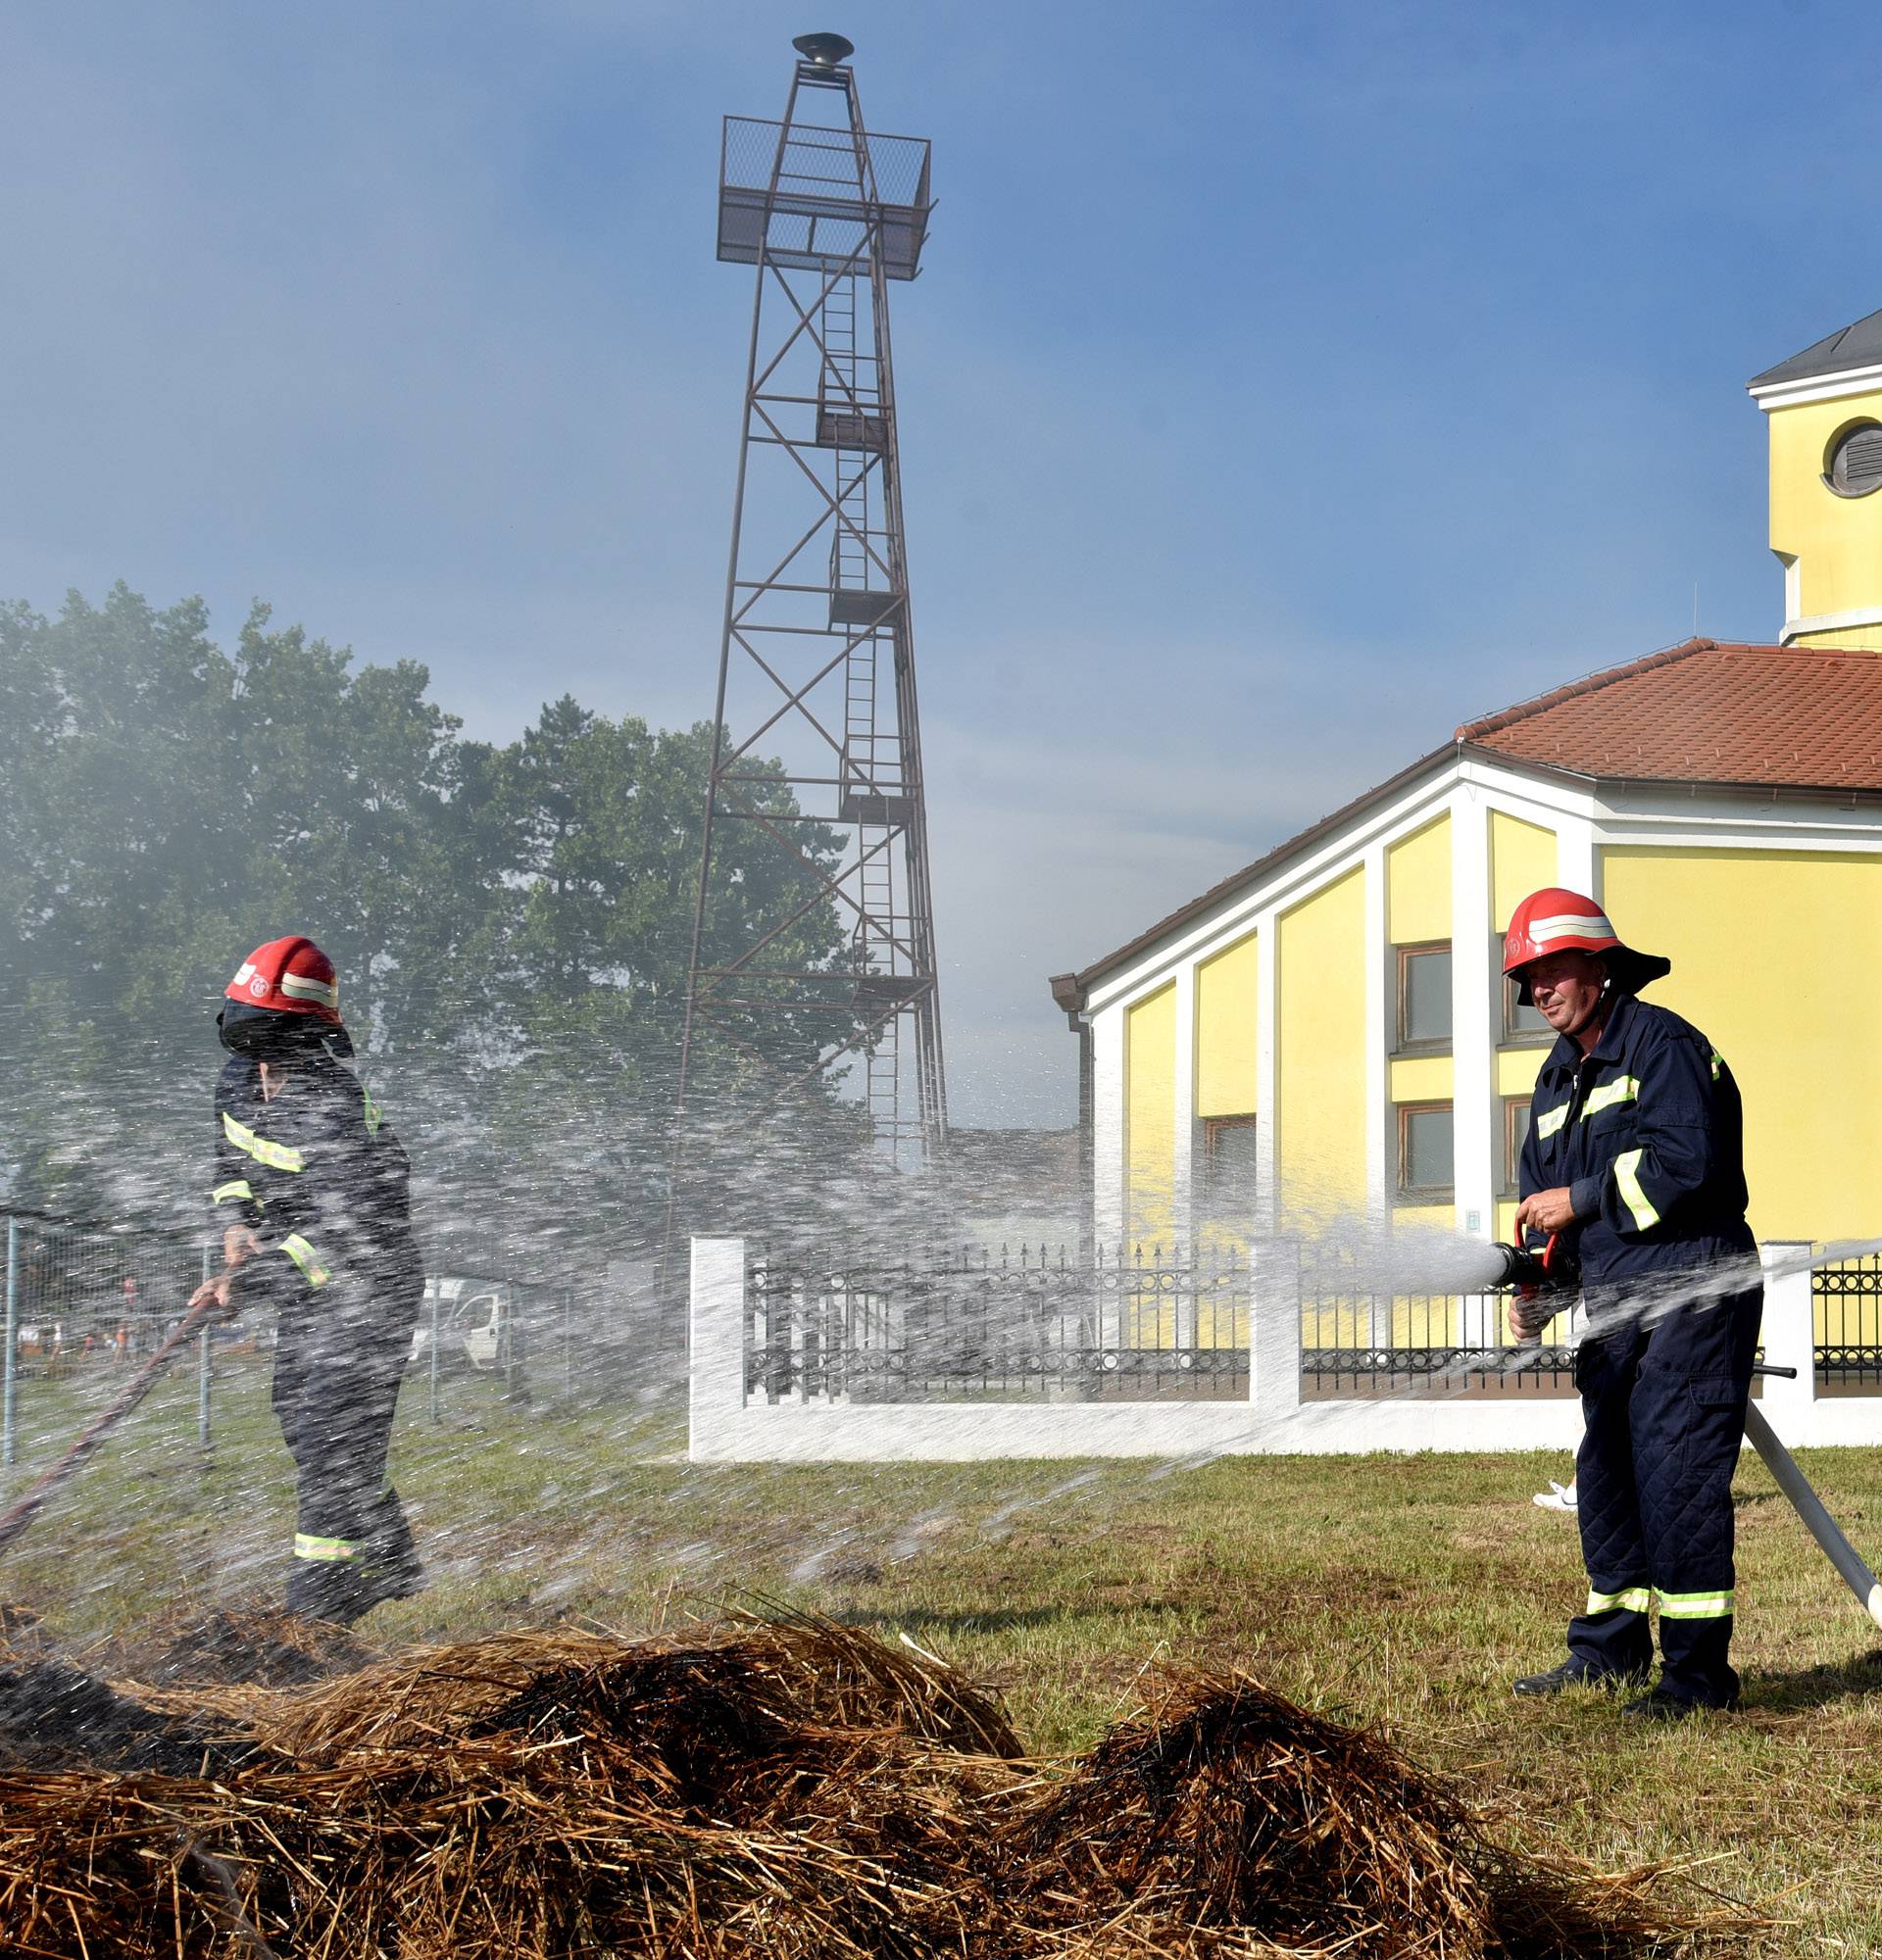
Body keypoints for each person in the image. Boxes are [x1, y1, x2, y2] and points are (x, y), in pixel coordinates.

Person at [1504, 888, 1760, 1720]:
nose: (1539, 990)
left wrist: (1578, 1199)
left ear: (1600, 967)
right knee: (1607, 1467)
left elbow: (1688, 1166)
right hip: (1615, 1298)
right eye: (1527, 979)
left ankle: (1696, 1677)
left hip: (1692, 1288)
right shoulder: (1552, 1080)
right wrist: (1543, 1286)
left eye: (1552, 970)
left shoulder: (1665, 1045)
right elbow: (1546, 1209)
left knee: (1675, 1471)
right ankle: (1610, 1649)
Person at [188, 936, 425, 1624]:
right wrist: (235, 1220)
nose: (251, 1043)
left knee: (334, 1438)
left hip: (368, 1287)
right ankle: (390, 1558)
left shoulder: (334, 1106)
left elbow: (346, 1237)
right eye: (242, 1024)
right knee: (300, 1418)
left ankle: (319, 1616)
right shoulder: (236, 1081)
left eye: (265, 1028)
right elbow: (228, 1158)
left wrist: (248, 1282)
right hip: (303, 1283)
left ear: (304, 1031)